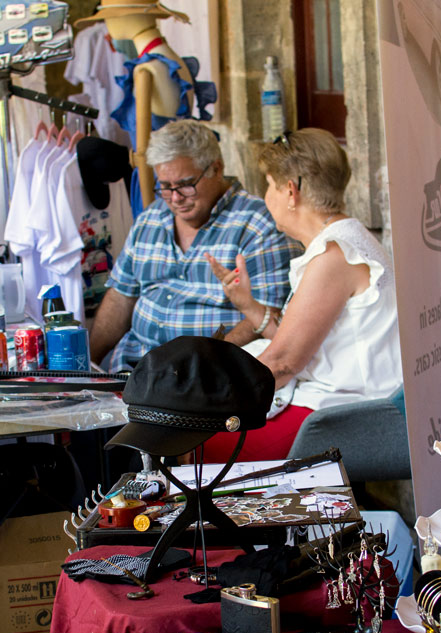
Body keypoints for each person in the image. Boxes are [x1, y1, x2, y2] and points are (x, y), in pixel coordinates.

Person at [202, 128, 403, 462]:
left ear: (291, 191)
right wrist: (249, 307)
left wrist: (205, 398)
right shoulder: (346, 239)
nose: (267, 195)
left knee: (195, 443)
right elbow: (304, 344)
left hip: (340, 415)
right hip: (338, 404)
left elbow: (283, 364)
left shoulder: (333, 256)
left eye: (269, 184)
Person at [89, 120, 296, 372]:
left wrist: (199, 366)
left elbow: (269, 315)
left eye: (186, 184)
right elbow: (121, 297)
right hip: (134, 370)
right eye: (165, 186)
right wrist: (87, 364)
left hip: (208, 376)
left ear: (216, 169)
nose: (175, 198)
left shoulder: (257, 225)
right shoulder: (151, 219)